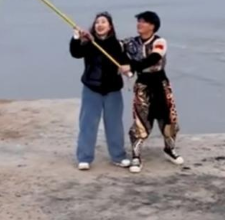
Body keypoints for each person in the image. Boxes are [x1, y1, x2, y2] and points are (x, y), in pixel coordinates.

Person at [119, 10, 183, 173]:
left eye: (144, 21)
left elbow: (153, 58)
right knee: (140, 119)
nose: (139, 24)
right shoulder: (130, 42)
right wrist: (91, 37)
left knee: (168, 118)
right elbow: (114, 47)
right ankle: (136, 156)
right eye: (139, 21)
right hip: (142, 85)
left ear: (152, 26)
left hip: (161, 84)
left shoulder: (160, 41)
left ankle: (169, 148)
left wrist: (131, 66)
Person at [69, 12, 132, 170]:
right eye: (97, 22)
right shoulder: (89, 43)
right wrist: (76, 38)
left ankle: (118, 156)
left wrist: (127, 68)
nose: (100, 25)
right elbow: (76, 53)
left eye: (103, 22)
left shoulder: (118, 45)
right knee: (88, 124)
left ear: (110, 27)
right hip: (92, 88)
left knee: (114, 125)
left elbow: (125, 61)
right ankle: (84, 158)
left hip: (113, 90)